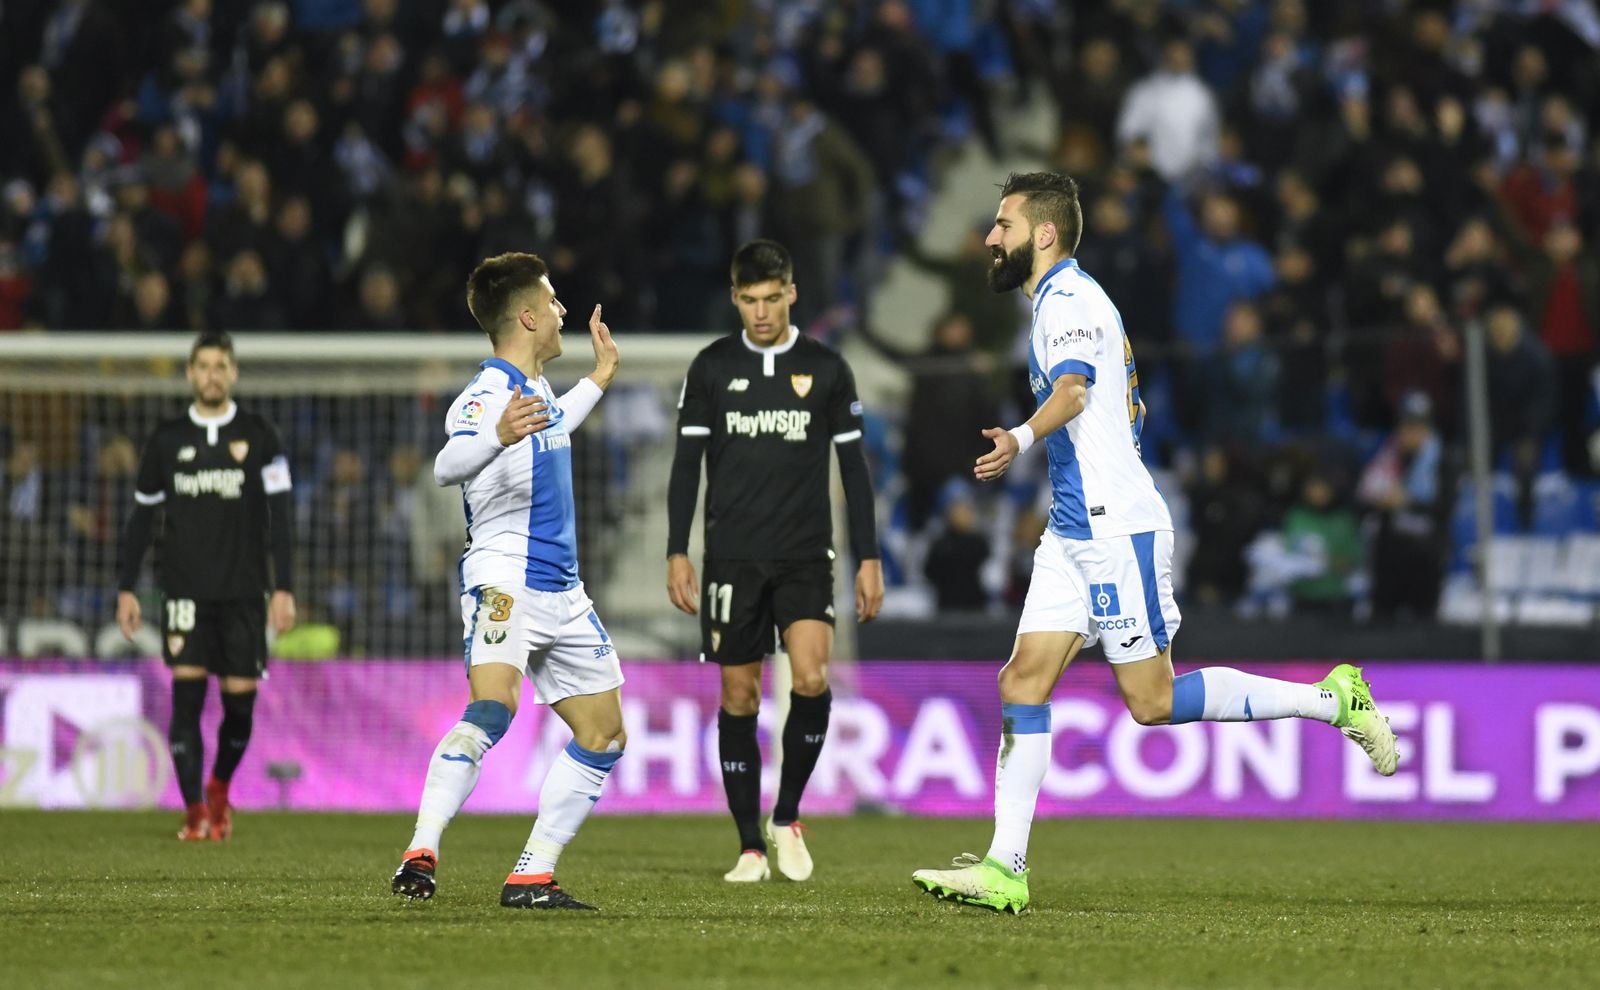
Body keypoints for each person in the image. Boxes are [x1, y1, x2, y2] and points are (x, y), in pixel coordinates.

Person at [912, 172, 1399, 915]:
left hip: (1115, 526)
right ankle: (1005, 867)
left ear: (1043, 234)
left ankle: (1332, 699)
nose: (989, 237)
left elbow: (1072, 390)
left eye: (1002, 224)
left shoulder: (1068, 300)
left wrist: (1017, 435)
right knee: (1021, 681)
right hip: (1073, 530)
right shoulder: (1058, 300)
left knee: (1152, 700)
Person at [390, 252, 624, 911]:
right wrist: (492, 434)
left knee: (604, 732)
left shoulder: (538, 390)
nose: (562, 312)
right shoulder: (486, 395)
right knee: (492, 709)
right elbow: (446, 464)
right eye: (552, 302)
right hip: (506, 582)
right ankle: (422, 845)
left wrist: (600, 379)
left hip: (563, 590)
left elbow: (550, 429)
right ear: (527, 315)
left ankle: (531, 875)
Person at [665, 239, 883, 883]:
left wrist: (868, 557)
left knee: (812, 678)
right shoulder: (710, 367)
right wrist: (678, 549)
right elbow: (685, 467)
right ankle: (748, 847)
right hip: (731, 558)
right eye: (749, 300)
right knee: (738, 695)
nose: (761, 312)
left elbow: (855, 468)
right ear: (736, 298)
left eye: (772, 298)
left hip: (805, 556)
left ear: (791, 294)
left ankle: (786, 816)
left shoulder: (826, 368)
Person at [116, 332, 297, 841]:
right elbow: (142, 519)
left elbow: (280, 518)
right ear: (190, 374)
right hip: (185, 592)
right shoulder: (167, 440)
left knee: (240, 707)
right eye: (203, 366)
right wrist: (126, 587)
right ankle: (195, 809)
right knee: (187, 701)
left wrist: (284, 588)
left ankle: (219, 786)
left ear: (233, 373)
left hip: (243, 592)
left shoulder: (260, 435)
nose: (212, 375)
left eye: (221, 366)